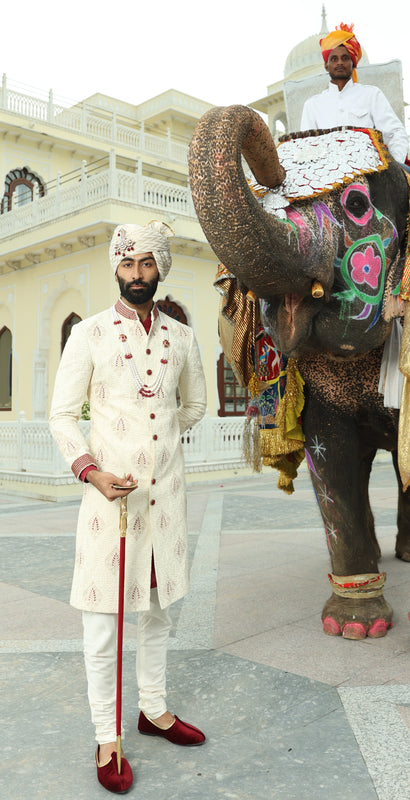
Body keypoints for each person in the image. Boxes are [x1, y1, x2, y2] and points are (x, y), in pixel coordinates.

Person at [50, 220, 207, 793]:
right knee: (103, 622)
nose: (137, 275)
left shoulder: (184, 339)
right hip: (107, 500)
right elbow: (62, 416)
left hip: (164, 499)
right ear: (115, 267)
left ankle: (155, 711)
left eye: (147, 264)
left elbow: (192, 405)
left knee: (159, 613)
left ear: (160, 268)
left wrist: (155, 446)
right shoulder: (88, 335)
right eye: (127, 264)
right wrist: (92, 469)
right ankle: (106, 734)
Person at [300, 22, 409, 164]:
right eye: (334, 59)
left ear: (353, 63)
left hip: (370, 168)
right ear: (326, 66)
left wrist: (395, 166)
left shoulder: (371, 95)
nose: (339, 63)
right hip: (326, 172)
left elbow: (395, 133)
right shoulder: (312, 105)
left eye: (345, 58)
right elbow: (305, 146)